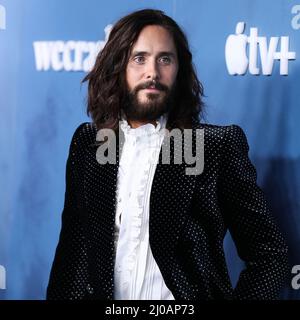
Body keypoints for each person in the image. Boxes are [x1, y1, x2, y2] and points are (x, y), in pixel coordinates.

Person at [47, 9, 289, 300]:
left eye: (165, 59)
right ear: (117, 66)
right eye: (139, 58)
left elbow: (270, 254)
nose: (153, 72)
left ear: (179, 70)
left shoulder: (214, 145)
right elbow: (72, 256)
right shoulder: (90, 143)